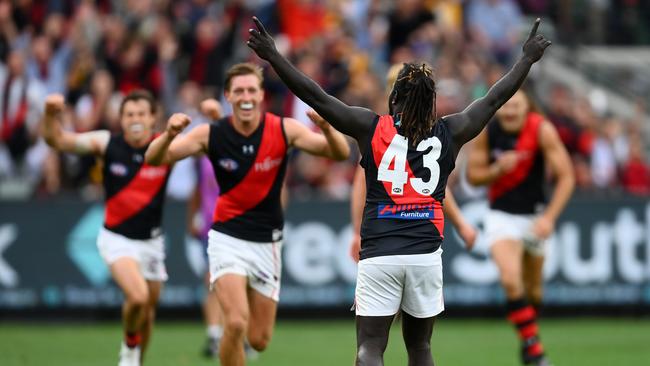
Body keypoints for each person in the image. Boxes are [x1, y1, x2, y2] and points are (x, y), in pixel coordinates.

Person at [247, 16, 550, 365]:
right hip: (425, 255)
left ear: (395, 97)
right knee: (420, 348)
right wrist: (526, 59)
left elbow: (316, 95)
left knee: (370, 347)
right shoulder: (453, 130)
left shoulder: (369, 127)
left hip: (380, 253)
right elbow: (495, 99)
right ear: (431, 100)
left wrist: (273, 57)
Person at [144, 62, 351, 366]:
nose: (245, 96)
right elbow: (154, 158)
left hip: (267, 243)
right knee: (236, 322)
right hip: (227, 238)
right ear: (228, 95)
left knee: (258, 339)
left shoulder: (283, 129)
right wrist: (169, 133)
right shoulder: (210, 134)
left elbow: (339, 152)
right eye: (238, 90)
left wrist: (327, 129)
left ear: (261, 95)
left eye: (251, 90)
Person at [42, 90, 171, 366]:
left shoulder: (167, 146)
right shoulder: (107, 143)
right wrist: (51, 114)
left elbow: (211, 148)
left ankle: (135, 357)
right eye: (129, 115)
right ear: (121, 119)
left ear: (153, 118)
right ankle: (129, 346)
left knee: (147, 313)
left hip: (152, 243)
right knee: (137, 296)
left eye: (141, 114)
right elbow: (57, 140)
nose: (135, 120)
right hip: (117, 238)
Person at [467, 88, 574, 365]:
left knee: (534, 291)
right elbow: (473, 177)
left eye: (517, 105)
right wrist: (497, 171)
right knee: (511, 280)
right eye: (507, 105)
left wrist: (549, 217)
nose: (511, 110)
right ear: (499, 107)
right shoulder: (487, 132)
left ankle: (528, 338)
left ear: (527, 107)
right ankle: (534, 350)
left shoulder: (542, 130)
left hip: (535, 218)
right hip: (501, 216)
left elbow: (566, 177)